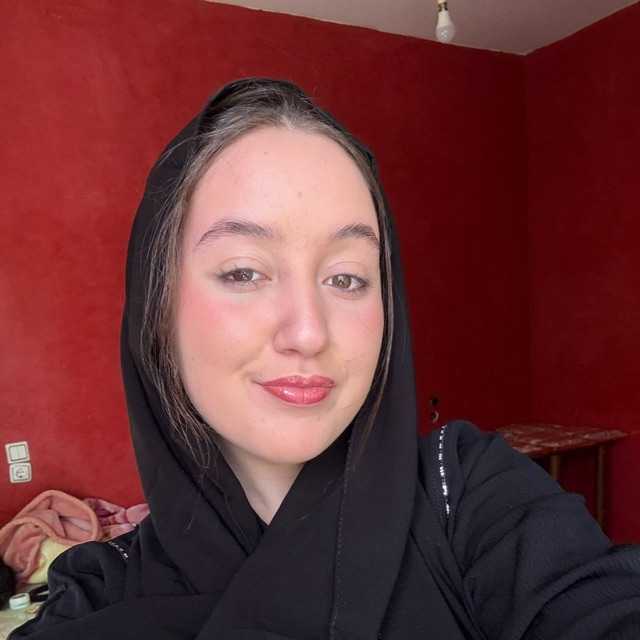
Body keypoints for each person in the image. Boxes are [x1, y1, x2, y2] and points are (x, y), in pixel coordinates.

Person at [11, 77, 640, 639]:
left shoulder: (471, 496)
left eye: (346, 278)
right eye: (244, 271)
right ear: (158, 309)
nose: (309, 332)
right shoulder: (95, 598)